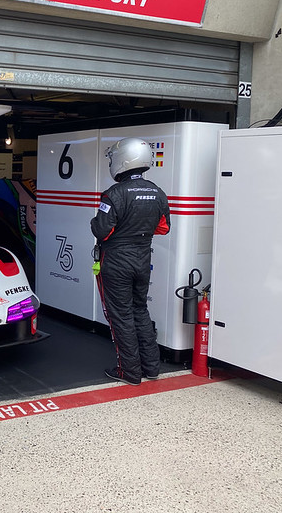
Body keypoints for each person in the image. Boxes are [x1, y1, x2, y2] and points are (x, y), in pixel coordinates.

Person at [90, 137, 170, 386]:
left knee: (120, 316)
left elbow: (101, 230)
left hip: (116, 261)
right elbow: (163, 228)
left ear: (123, 160)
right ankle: (151, 368)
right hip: (142, 259)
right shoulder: (158, 192)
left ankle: (129, 372)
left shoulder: (113, 194)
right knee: (140, 311)